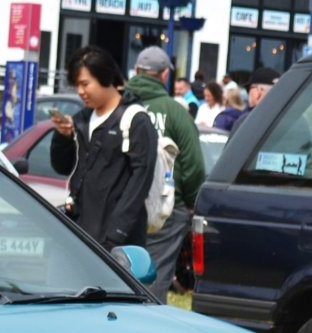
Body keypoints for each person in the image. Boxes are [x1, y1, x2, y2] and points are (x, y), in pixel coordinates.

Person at [49, 45, 157, 252]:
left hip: (117, 242)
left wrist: (115, 235)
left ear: (106, 78)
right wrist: (63, 137)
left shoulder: (136, 120)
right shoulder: (82, 119)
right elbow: (62, 167)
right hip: (79, 233)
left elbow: (141, 181)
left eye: (85, 84)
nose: (80, 91)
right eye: (77, 85)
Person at [125, 46, 206, 300]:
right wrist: (190, 202)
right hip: (166, 207)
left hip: (122, 205)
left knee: (118, 271)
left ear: (136, 70)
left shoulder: (120, 105)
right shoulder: (175, 112)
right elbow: (193, 164)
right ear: (164, 76)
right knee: (154, 277)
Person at [227, 66, 280, 134]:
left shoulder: (246, 122)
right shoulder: (288, 118)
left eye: (248, 89)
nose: (248, 93)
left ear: (258, 92)